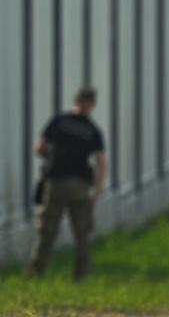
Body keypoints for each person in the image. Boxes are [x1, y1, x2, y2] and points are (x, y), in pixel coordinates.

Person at [29, 86, 107, 281]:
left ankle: (37, 272)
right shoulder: (93, 131)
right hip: (80, 186)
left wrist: (51, 156)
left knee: (47, 231)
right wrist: (97, 193)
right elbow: (101, 163)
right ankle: (81, 277)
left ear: (76, 100)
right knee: (82, 234)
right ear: (92, 105)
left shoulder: (59, 121)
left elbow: (39, 148)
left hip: (56, 182)